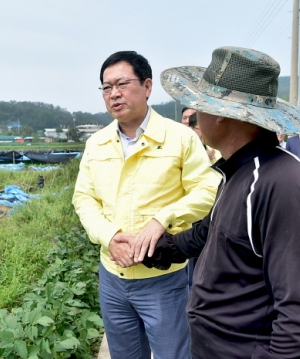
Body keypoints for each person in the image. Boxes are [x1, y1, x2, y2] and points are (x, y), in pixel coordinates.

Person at [115, 46, 300, 358]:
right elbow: (207, 234)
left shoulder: (281, 184)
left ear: (223, 116)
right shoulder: (238, 171)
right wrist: (148, 248)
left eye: (199, 109)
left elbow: (298, 316)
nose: (196, 118)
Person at [72, 50, 220, 359]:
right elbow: (83, 197)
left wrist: (161, 219)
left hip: (162, 279)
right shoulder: (96, 143)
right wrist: (109, 236)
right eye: (106, 87)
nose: (114, 93)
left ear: (147, 86)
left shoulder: (180, 138)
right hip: (112, 277)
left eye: (122, 83)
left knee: (172, 354)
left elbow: (207, 189)